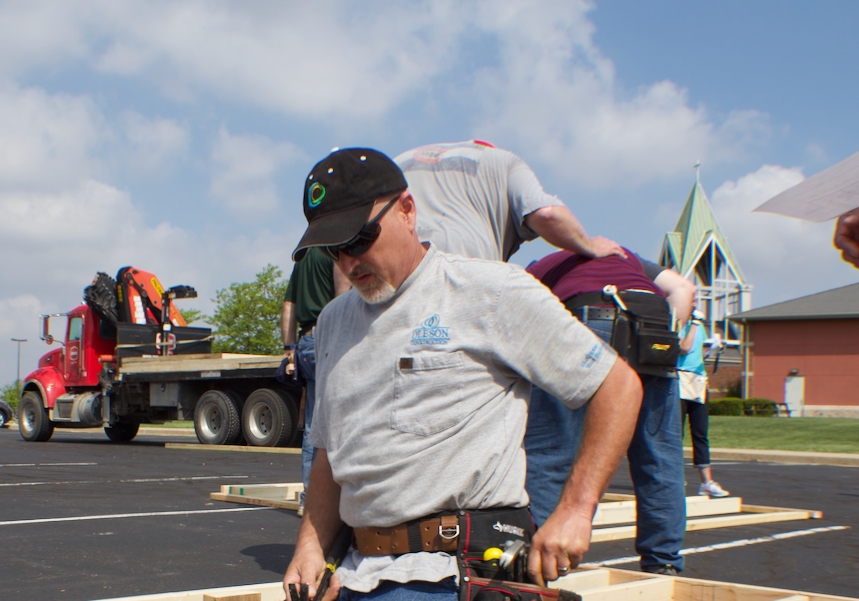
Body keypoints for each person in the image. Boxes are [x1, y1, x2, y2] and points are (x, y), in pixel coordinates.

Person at [265, 148, 641, 601]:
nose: (349, 259)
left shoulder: (485, 292)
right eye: (333, 248)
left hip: (447, 576)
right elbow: (331, 455)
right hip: (358, 572)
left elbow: (617, 385)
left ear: (408, 210)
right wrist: (310, 549)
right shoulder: (334, 322)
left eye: (360, 237)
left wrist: (575, 509)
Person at [524, 250, 696, 575]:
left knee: (551, 452)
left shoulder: (539, 267)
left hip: (591, 318)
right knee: (659, 459)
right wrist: (671, 337)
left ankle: (540, 565)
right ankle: (663, 563)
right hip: (655, 327)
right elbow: (684, 290)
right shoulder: (628, 257)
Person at [395, 140, 625, 262]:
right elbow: (547, 214)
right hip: (464, 278)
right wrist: (589, 244)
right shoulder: (502, 161)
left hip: (392, 278)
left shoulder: (397, 163)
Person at [279, 247, 349, 488]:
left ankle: (309, 498)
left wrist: (290, 349)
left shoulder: (302, 258)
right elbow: (343, 297)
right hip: (328, 335)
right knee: (341, 418)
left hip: (306, 343)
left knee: (312, 424)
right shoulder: (335, 251)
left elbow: (288, 305)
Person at [678, 314, 729, 498]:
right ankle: (674, 477)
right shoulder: (678, 323)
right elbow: (684, 348)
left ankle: (706, 482)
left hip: (698, 380)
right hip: (679, 379)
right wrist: (693, 323)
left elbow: (698, 354)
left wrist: (713, 350)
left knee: (700, 433)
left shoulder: (698, 326)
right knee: (677, 433)